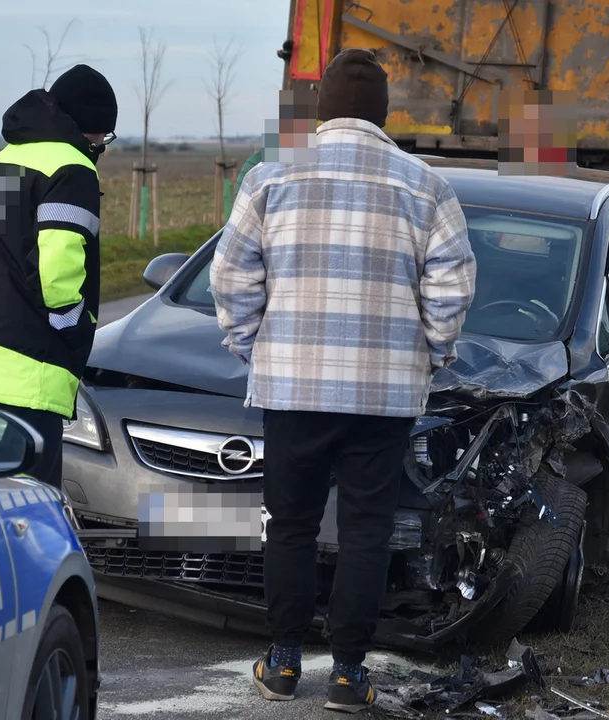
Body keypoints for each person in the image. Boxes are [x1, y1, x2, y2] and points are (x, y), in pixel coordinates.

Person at [211, 48, 476, 713]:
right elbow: (452, 285)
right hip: (383, 396)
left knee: (291, 525)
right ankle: (350, 675)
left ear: (320, 110)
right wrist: (431, 354)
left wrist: (256, 348)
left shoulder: (272, 179)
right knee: (367, 530)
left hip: (292, 390)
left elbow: (231, 276)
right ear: (383, 114)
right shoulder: (424, 186)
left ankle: (281, 663)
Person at [0, 64, 118, 489]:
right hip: (30, 370)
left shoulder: (0, 161)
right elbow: (58, 271)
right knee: (33, 511)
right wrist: (74, 331)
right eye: (105, 137)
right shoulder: (73, 169)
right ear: (91, 129)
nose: (103, 146)